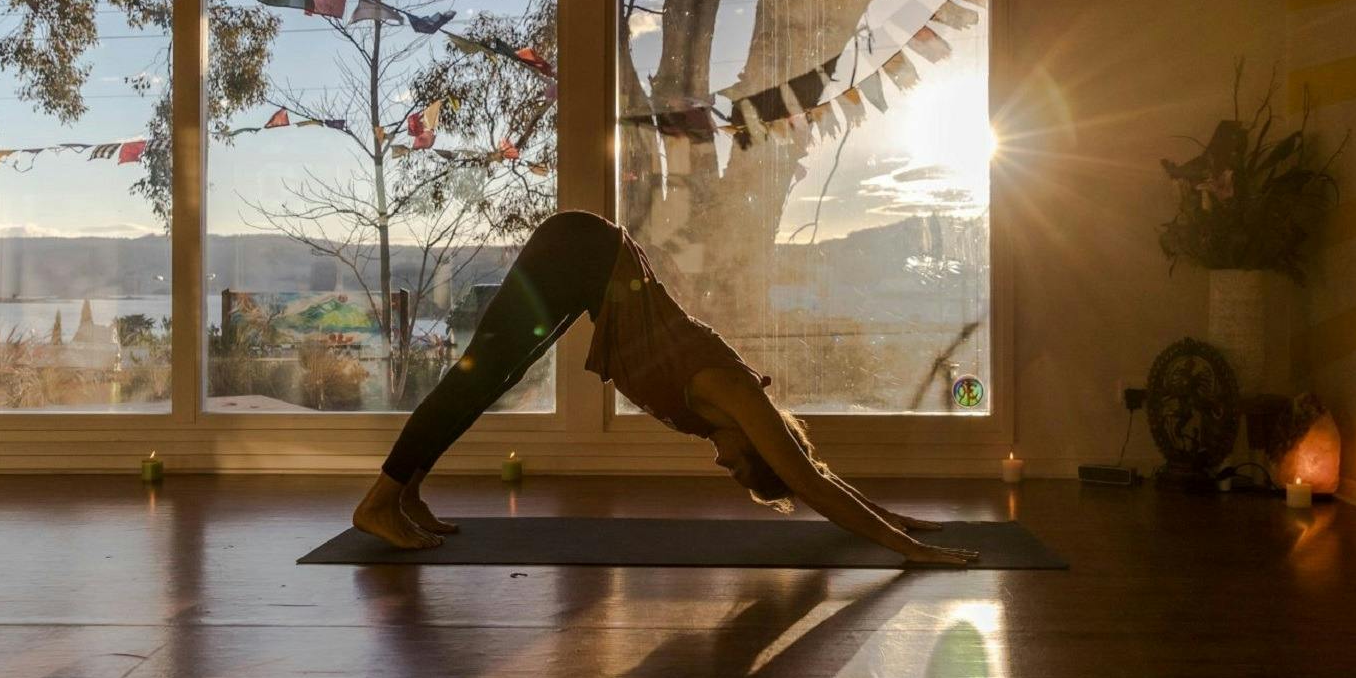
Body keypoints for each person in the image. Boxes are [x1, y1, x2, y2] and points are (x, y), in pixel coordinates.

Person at [352, 210, 979, 566]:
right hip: (583, 253)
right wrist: (905, 549)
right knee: (477, 374)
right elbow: (809, 481)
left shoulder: (725, 412)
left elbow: (811, 469)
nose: (725, 467)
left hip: (591, 269)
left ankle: (407, 493)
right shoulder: (734, 395)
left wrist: (894, 515)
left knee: (493, 376)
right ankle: (380, 500)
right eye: (742, 468)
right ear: (756, 443)